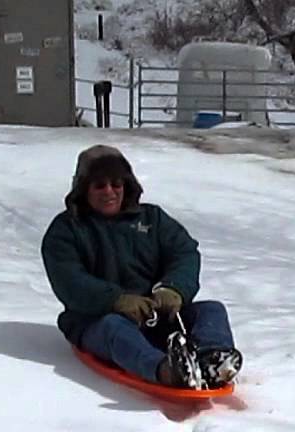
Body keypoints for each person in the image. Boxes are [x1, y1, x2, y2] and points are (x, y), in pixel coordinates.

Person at [41, 144, 242, 389]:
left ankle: (213, 360)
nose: (109, 192)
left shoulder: (152, 220)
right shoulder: (66, 230)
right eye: (99, 185)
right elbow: (69, 280)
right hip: (97, 319)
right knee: (113, 329)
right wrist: (115, 300)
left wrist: (173, 289)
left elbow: (184, 252)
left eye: (116, 184)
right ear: (84, 189)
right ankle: (167, 371)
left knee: (211, 310)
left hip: (156, 315)